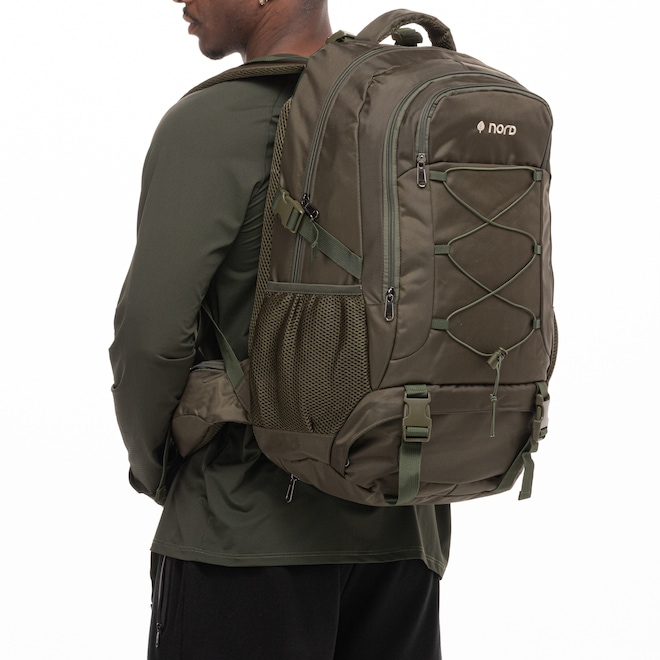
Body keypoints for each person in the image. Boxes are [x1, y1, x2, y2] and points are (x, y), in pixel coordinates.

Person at [109, 1, 451, 658]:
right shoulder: (408, 110)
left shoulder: (215, 120)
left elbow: (149, 338)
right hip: (405, 536)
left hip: (243, 534)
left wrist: (160, 473)